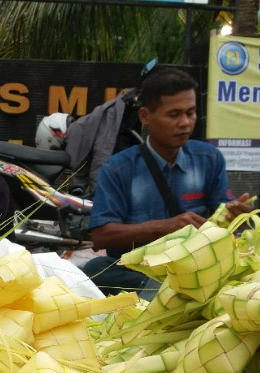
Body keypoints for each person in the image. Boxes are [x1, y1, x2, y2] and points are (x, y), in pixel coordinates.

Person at [82, 68, 252, 299]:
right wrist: (167, 226)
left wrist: (236, 217)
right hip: (139, 269)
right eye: (174, 115)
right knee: (96, 270)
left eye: (191, 113)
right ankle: (175, 294)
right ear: (145, 116)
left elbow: (220, 226)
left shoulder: (209, 159)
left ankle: (173, 294)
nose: (185, 123)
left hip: (196, 268)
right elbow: (102, 236)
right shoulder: (118, 168)